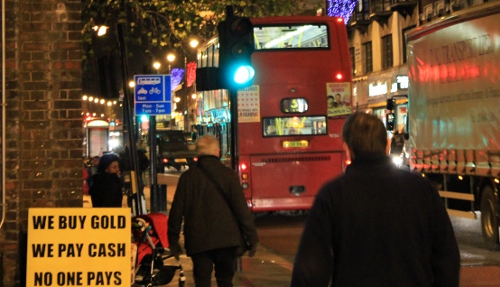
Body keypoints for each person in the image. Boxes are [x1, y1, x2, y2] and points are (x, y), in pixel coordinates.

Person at [291, 112, 460, 287]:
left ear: (348, 149)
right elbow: (447, 256)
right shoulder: (422, 190)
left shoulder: (333, 195)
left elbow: (310, 268)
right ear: (385, 146)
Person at [168, 135, 259, 287]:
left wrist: (173, 240)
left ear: (198, 153)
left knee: (202, 281)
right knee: (225, 280)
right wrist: (252, 237)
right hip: (226, 240)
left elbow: (176, 212)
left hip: (198, 241)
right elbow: (241, 210)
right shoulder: (228, 175)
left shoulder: (188, 178)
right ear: (217, 152)